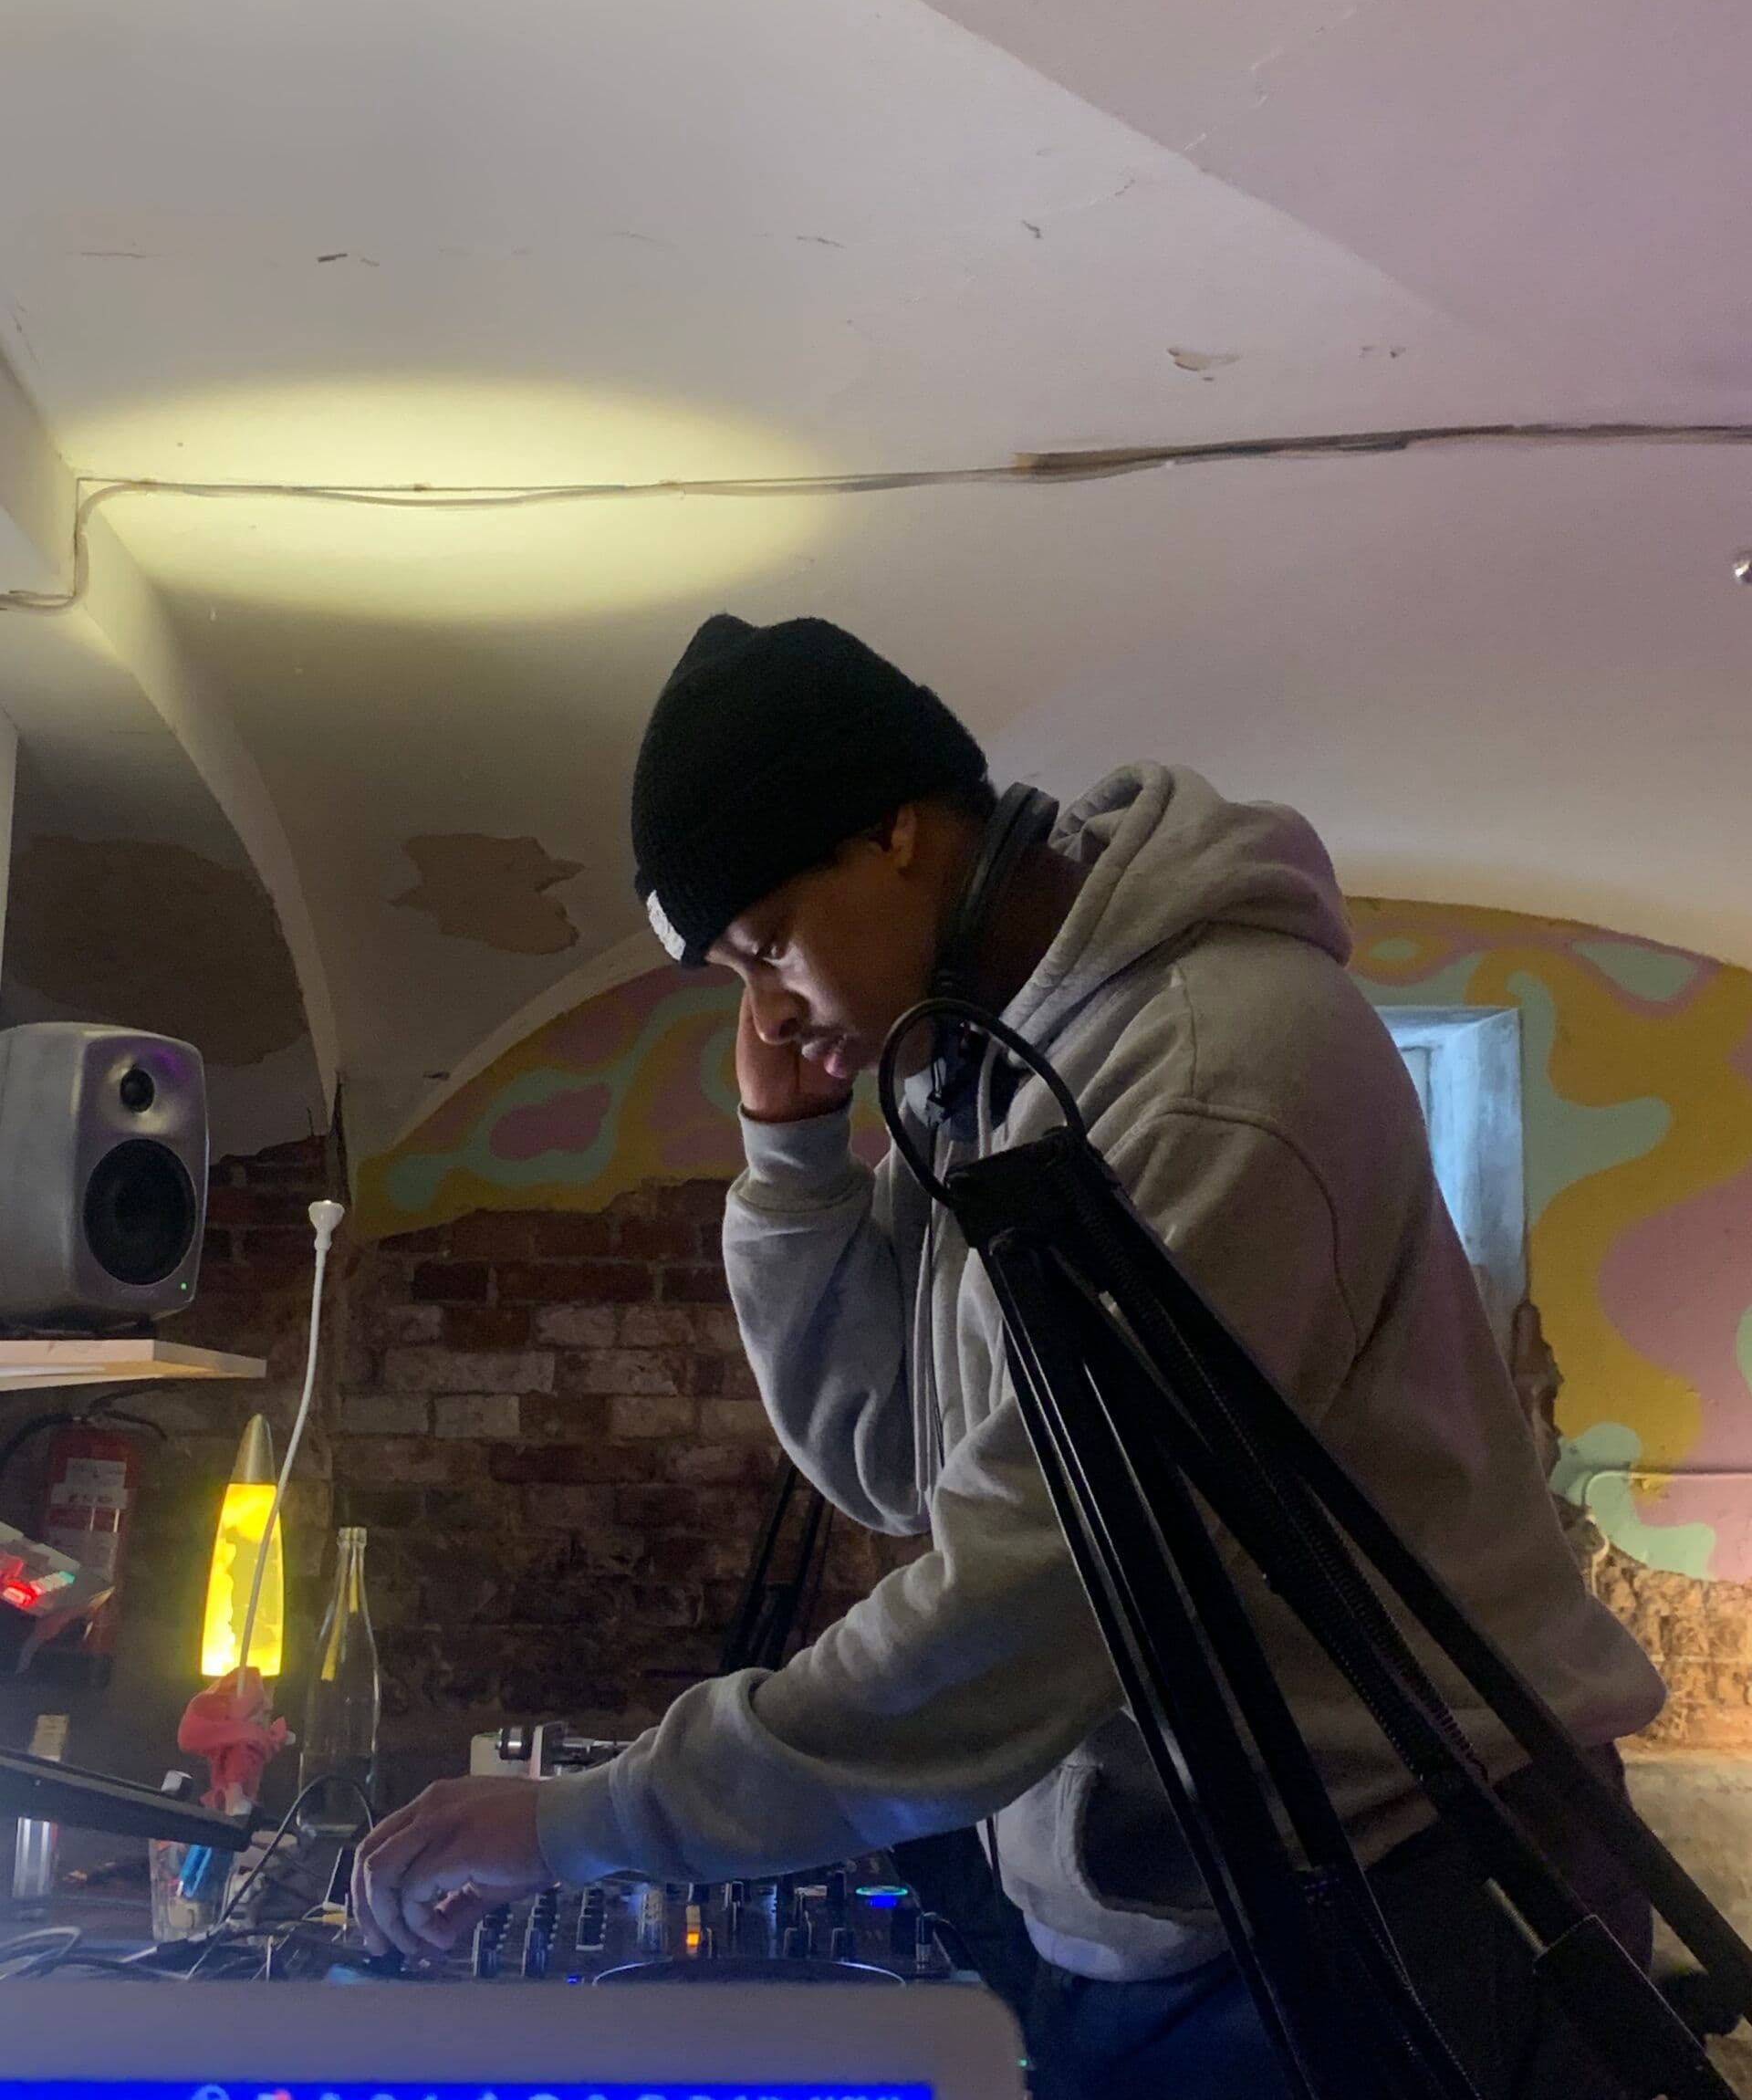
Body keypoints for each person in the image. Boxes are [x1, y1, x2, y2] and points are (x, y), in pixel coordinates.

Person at [354, 614, 1665, 2096]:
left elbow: (1033, 1597)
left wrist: (589, 1823)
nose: (767, 1011)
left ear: (894, 832)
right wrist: (793, 1168)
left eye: (770, 945)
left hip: (1401, 1909)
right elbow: (894, 1458)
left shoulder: (1208, 1074)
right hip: (1206, 1909)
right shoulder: (991, 1067)